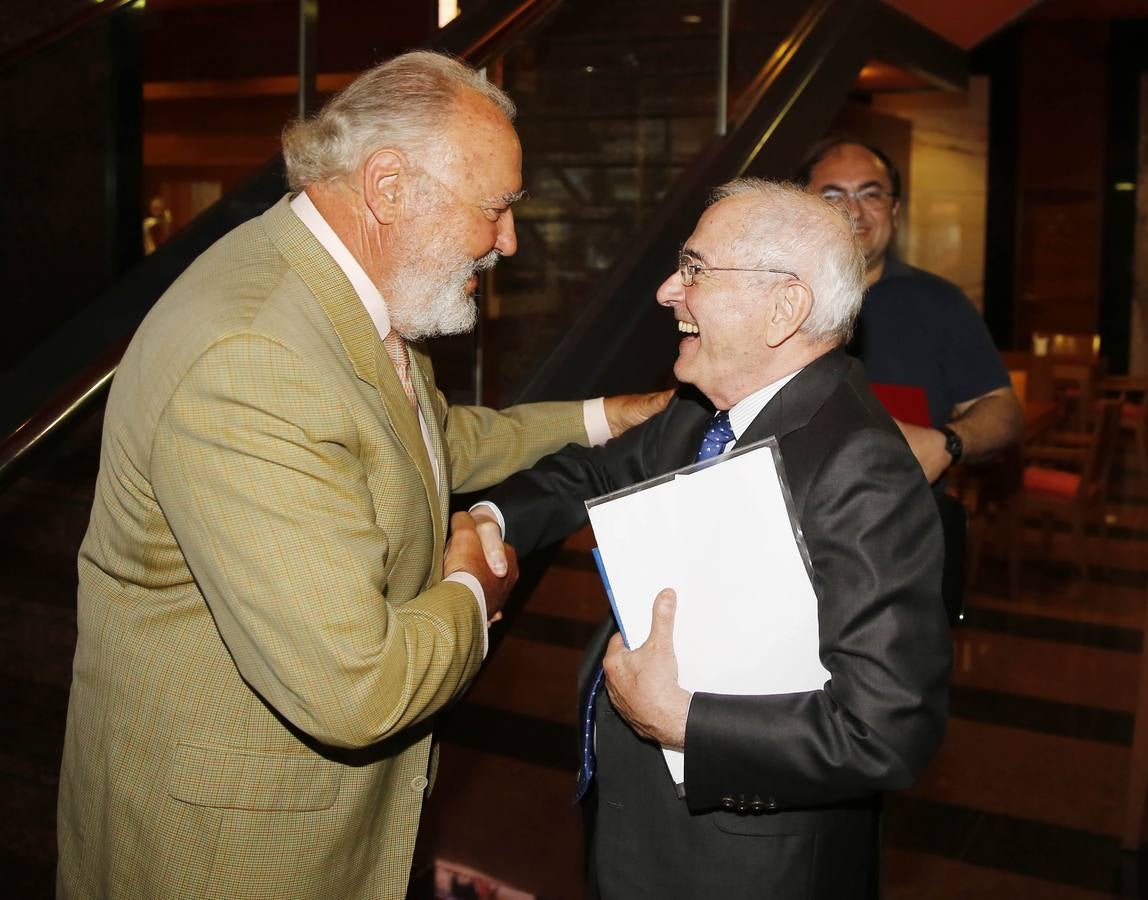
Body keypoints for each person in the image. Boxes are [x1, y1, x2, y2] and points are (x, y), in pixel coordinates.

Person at [56, 52, 666, 900]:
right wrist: (473, 589)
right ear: (387, 186)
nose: (508, 242)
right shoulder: (255, 358)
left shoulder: (332, 286)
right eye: (495, 210)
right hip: (232, 853)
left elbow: (425, 438)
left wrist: (603, 415)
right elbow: (358, 690)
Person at [475, 179, 951, 898]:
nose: (669, 290)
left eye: (695, 270)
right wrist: (493, 520)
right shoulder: (706, 409)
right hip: (644, 836)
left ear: (784, 307)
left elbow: (885, 730)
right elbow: (589, 474)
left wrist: (685, 721)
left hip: (745, 867)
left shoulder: (860, 465)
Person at [797, 139, 1022, 483]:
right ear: (801, 211)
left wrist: (947, 443)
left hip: (907, 525)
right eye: (833, 196)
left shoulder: (941, 304)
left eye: (871, 195)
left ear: (895, 211)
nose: (854, 212)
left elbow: (1002, 409)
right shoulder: (769, 300)